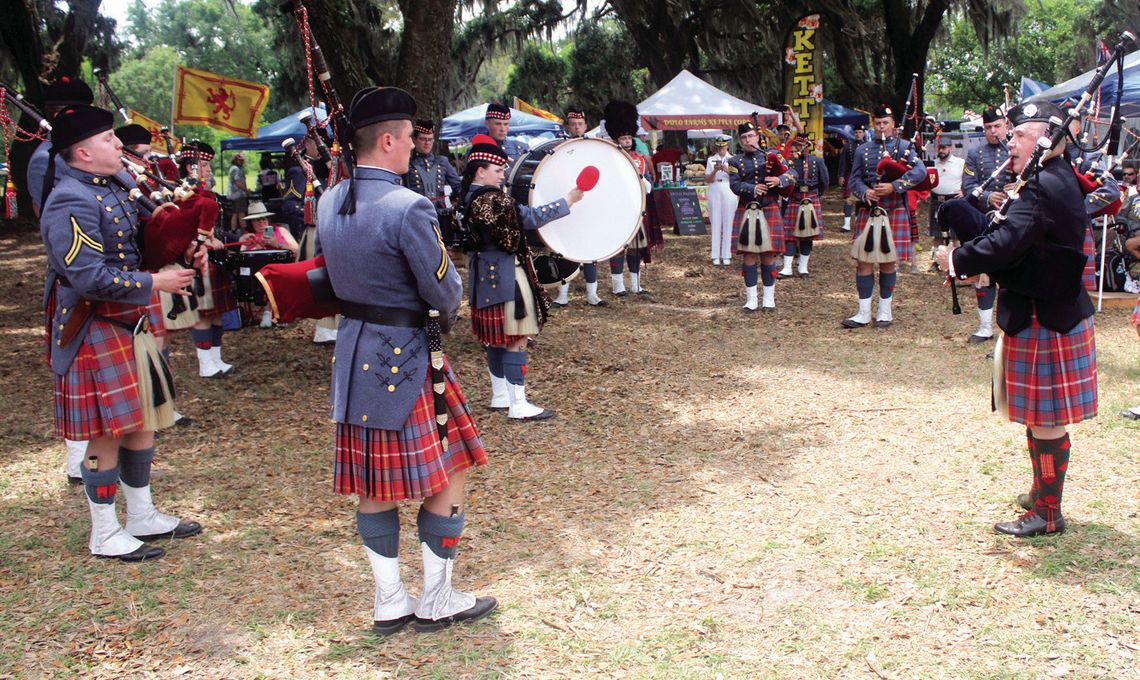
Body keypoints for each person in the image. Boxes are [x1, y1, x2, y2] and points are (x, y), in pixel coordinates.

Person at [318, 86, 496, 634]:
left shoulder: (330, 200)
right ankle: (436, 598)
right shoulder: (408, 205)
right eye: (410, 137)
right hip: (408, 359)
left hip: (353, 357)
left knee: (373, 485)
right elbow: (444, 292)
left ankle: (389, 599)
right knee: (449, 474)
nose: (417, 147)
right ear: (389, 140)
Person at [40, 104, 204, 561]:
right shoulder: (70, 199)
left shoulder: (112, 184)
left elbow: (140, 239)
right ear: (82, 153)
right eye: (108, 139)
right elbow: (86, 276)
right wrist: (156, 282)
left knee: (141, 420)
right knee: (107, 431)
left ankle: (142, 514)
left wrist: (177, 239)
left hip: (126, 319)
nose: (118, 144)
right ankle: (104, 531)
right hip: (94, 322)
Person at [936, 101, 1097, 537]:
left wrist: (956, 259)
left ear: (1049, 139)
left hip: (1048, 316)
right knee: (1037, 415)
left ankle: (1048, 512)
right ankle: (1041, 491)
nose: (1011, 140)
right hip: (1044, 309)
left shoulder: (1044, 185)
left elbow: (1007, 243)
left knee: (1045, 417)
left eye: (1021, 134)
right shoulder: (1047, 179)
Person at [462, 134, 583, 420]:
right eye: (498, 170)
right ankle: (518, 404)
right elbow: (528, 218)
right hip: (507, 275)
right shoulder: (493, 200)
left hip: (482, 274)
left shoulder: (466, 196)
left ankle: (500, 395)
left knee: (495, 339)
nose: (503, 174)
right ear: (481, 171)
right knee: (517, 337)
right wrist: (568, 200)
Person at [26, 78, 97, 485]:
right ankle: (76, 459)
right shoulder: (45, 159)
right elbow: (48, 213)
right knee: (72, 362)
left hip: (99, 269)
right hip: (73, 272)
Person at [842, 104, 925, 329]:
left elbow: (920, 173)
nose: (881, 127)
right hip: (868, 211)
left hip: (894, 209)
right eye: (877, 124)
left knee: (889, 262)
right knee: (863, 262)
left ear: (893, 124)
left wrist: (894, 186)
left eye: (885, 123)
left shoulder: (905, 147)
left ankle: (884, 312)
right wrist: (864, 192)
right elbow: (854, 180)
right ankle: (863, 313)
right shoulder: (863, 150)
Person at [177, 141, 237, 378]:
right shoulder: (182, 193)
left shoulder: (208, 193)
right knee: (203, 311)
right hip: (198, 259)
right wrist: (206, 241)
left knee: (215, 311)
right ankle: (205, 364)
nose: (209, 170)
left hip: (215, 258)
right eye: (204, 165)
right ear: (190, 167)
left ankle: (216, 358)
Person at [728, 121, 796, 312]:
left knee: (768, 254)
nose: (748, 140)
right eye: (743, 137)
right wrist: (751, 188)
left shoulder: (773, 155)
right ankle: (751, 300)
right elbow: (734, 185)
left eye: (750, 136)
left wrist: (779, 180)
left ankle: (769, 299)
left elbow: (793, 173)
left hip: (769, 208)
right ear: (740, 141)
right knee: (749, 255)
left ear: (757, 136)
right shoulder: (734, 162)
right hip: (747, 209)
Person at [960, 106, 1009, 341]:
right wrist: (988, 197)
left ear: (1006, 125)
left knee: (1012, 275)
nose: (993, 132)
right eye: (988, 127)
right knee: (984, 274)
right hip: (985, 220)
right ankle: (984, 326)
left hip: (1013, 220)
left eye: (997, 126)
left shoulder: (1017, 150)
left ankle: (1009, 328)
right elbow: (968, 187)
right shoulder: (975, 154)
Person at [552, 107, 606, 307]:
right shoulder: (559, 147)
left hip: (589, 204)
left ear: (585, 125)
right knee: (564, 249)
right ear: (569, 126)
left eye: (580, 124)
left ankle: (593, 294)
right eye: (573, 124)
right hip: (567, 201)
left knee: (590, 249)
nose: (576, 127)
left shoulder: (595, 147)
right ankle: (562, 293)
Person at [604, 101, 656, 297]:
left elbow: (649, 187)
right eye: (622, 138)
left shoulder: (640, 159)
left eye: (628, 138)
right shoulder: (609, 158)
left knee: (636, 246)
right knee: (619, 246)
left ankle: (635, 284)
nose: (626, 141)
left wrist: (643, 181)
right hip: (617, 208)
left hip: (637, 208)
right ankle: (618, 285)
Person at [238, 201, 299, 328]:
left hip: (281, 271)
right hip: (258, 276)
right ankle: (270, 313)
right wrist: (254, 247)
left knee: (275, 275)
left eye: (263, 219)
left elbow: (298, 250)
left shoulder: (280, 230)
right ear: (251, 223)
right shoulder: (248, 237)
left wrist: (277, 245)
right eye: (256, 220)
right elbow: (241, 259)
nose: (261, 223)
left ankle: (268, 313)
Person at [403, 119, 462, 245]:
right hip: (415, 215)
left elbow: (459, 187)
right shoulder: (406, 163)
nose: (427, 143)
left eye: (430, 139)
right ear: (414, 140)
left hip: (439, 217)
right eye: (423, 139)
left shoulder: (442, 162)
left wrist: (456, 200)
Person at [780, 140, 829, 278]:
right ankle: (787, 268)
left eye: (800, 147)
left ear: (807, 148)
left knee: (807, 235)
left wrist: (816, 194)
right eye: (795, 148)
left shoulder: (817, 161)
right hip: (795, 198)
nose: (797, 150)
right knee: (789, 236)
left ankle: (803, 268)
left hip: (811, 198)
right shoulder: (790, 161)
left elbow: (824, 181)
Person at [928, 139, 965, 270]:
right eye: (940, 148)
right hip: (936, 200)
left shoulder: (960, 163)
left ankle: (957, 263)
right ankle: (937, 262)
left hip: (954, 200)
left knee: (956, 234)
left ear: (951, 148)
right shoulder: (933, 163)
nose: (941, 151)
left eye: (944, 148)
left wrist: (964, 190)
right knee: (937, 234)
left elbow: (968, 179)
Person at [704, 134, 738, 266]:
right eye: (719, 147)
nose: (721, 149)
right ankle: (715, 255)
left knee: (728, 221)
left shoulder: (733, 159)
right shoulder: (711, 159)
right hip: (715, 186)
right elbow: (707, 179)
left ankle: (726, 254)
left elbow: (738, 176)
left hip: (728, 187)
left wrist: (727, 169)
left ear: (727, 146)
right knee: (716, 221)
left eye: (723, 147)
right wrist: (715, 171)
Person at [837, 125, 866, 232]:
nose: (858, 134)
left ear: (864, 133)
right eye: (856, 132)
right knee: (849, 199)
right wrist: (841, 175)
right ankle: (846, 225)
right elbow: (842, 162)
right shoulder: (847, 147)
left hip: (864, 176)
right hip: (851, 175)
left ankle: (859, 223)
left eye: (860, 132)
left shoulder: (868, 146)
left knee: (860, 200)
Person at [227, 153, 248, 230]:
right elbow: (238, 182)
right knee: (241, 213)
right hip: (238, 195)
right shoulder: (236, 169)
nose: (242, 162)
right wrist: (246, 190)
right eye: (240, 160)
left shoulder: (232, 168)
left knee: (235, 213)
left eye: (242, 160)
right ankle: (244, 230)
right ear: (236, 160)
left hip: (233, 195)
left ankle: (233, 230)